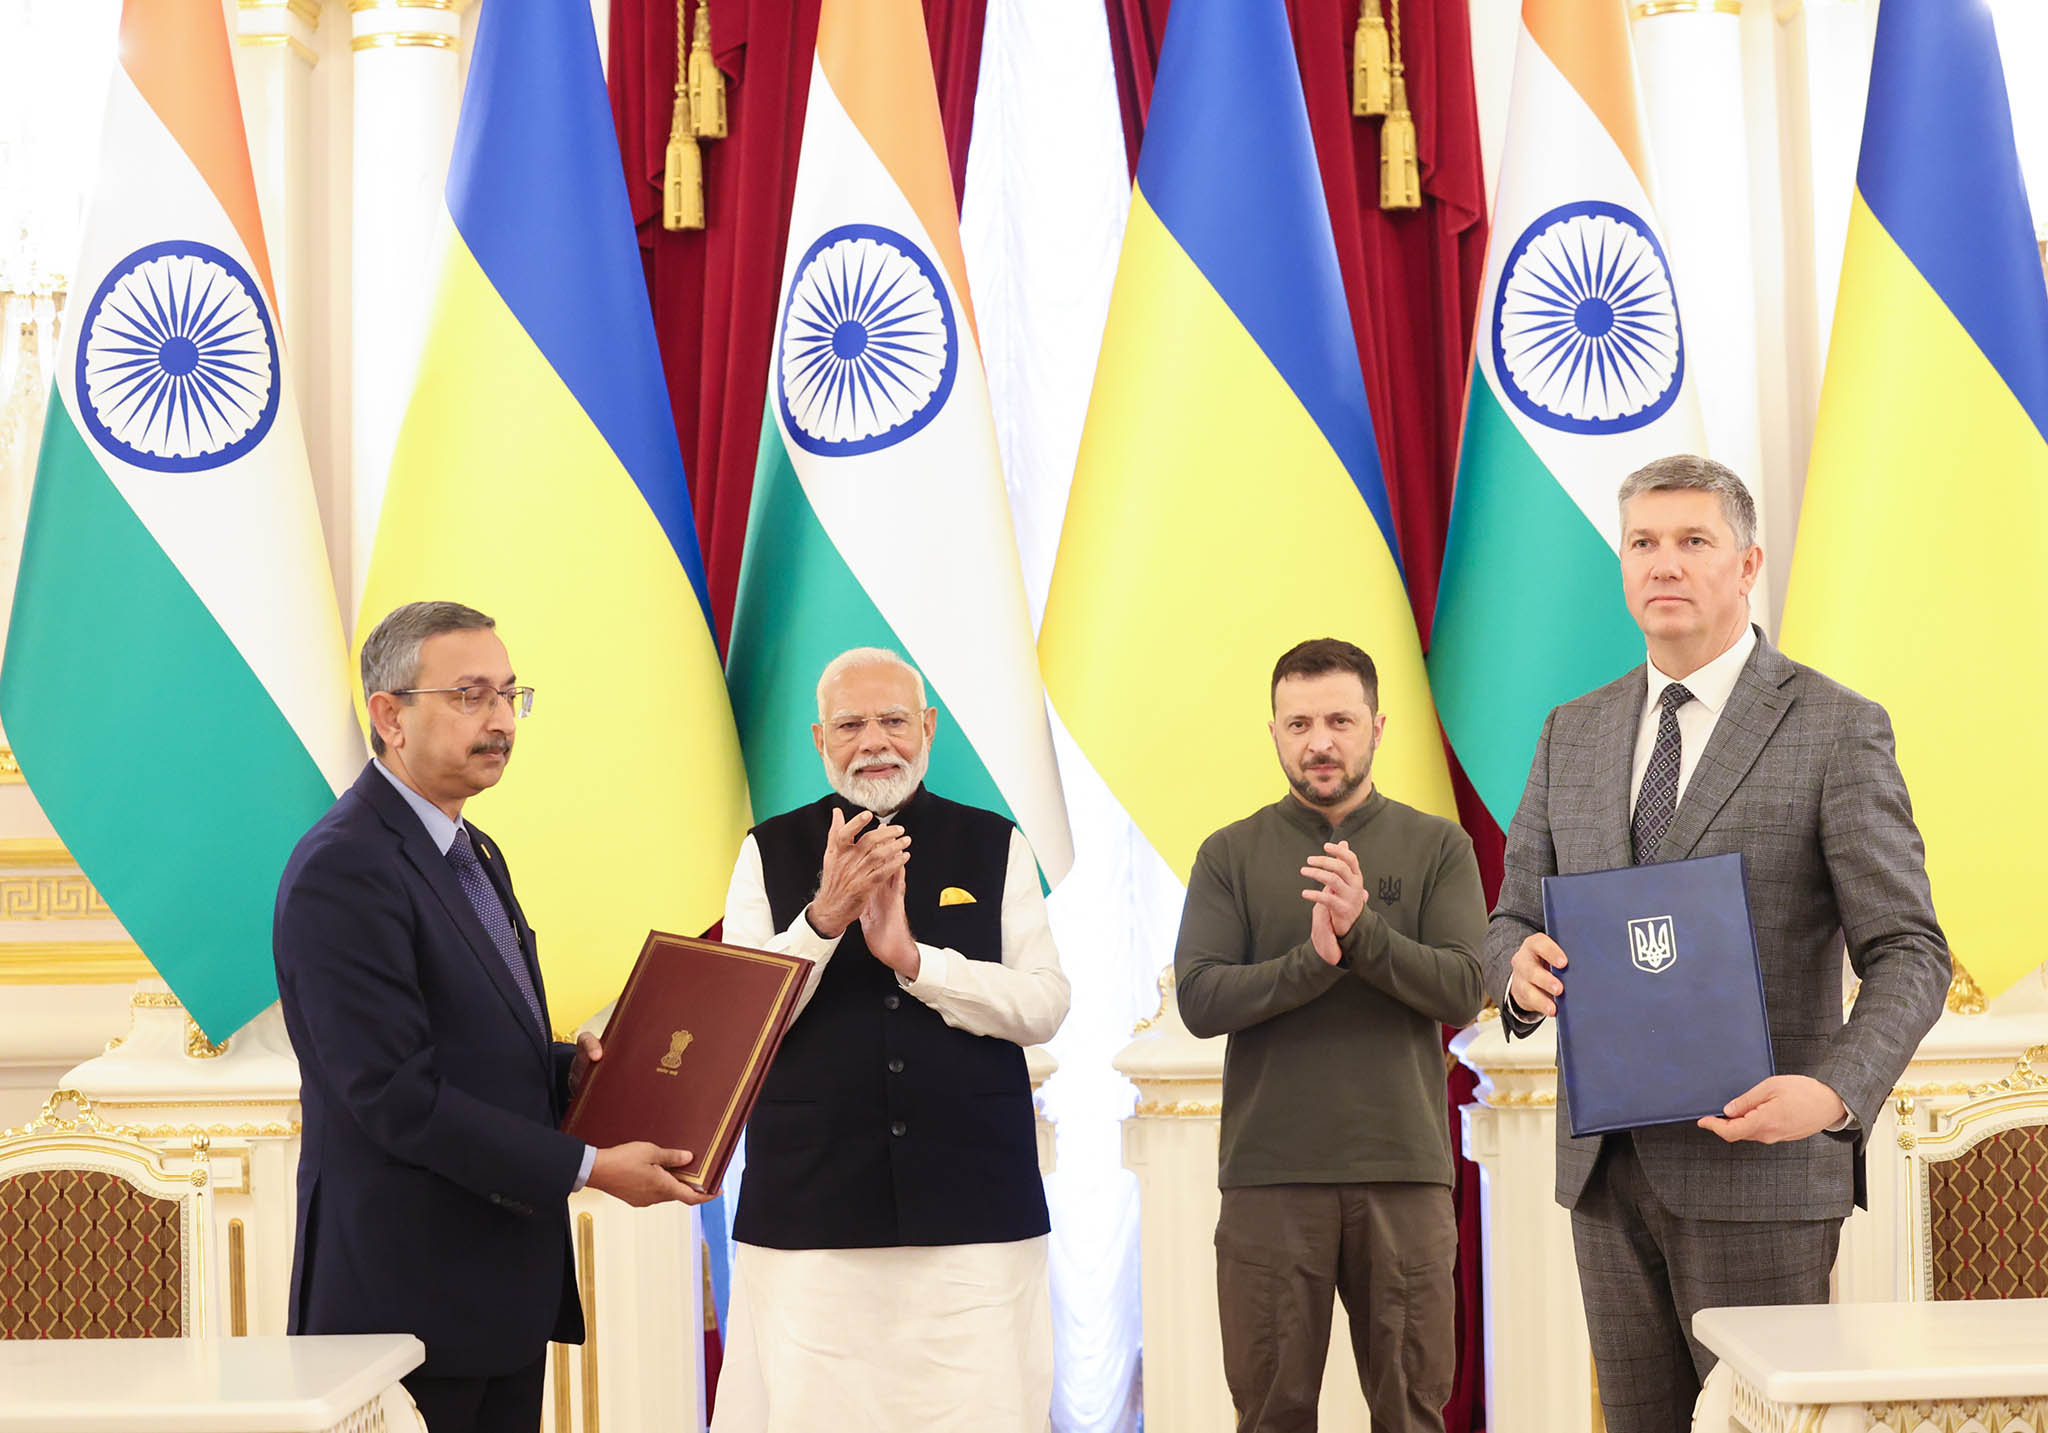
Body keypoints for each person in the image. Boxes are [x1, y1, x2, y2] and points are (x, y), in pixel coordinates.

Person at [1484, 456, 1950, 1433]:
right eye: (1642, 542)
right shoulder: (1570, 732)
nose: (1664, 563)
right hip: (1606, 1175)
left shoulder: (1833, 727)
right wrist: (1516, 976)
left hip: (1764, 1173)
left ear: (1745, 563)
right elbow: (1508, 920)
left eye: (1692, 541)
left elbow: (1908, 949)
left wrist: (1832, 1093)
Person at [274, 600, 709, 1433]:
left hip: (498, 1297)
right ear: (389, 715)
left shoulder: (473, 848)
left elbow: (474, 1041)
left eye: (512, 694)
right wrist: (588, 1165)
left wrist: (570, 1070)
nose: (503, 719)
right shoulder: (346, 867)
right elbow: (397, 1096)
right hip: (403, 1309)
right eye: (471, 695)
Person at [711, 647, 1069, 1433]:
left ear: (928, 728)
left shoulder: (994, 842)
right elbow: (738, 1018)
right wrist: (823, 919)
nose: (875, 740)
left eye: (893, 720)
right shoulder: (766, 850)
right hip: (812, 1216)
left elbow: (1044, 1004)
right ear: (819, 740)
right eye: (851, 724)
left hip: (974, 1209)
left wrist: (916, 961)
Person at [1174, 638, 1488, 1433]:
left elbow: (1464, 987)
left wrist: (1363, 933)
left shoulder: (1438, 846)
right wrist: (1313, 961)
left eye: (1340, 720)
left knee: (1413, 1413)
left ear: (1378, 727)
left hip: (1404, 1177)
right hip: (1269, 1181)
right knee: (1271, 1412)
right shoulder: (1230, 855)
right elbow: (1202, 998)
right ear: (1274, 732)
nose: (1320, 741)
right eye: (1300, 722)